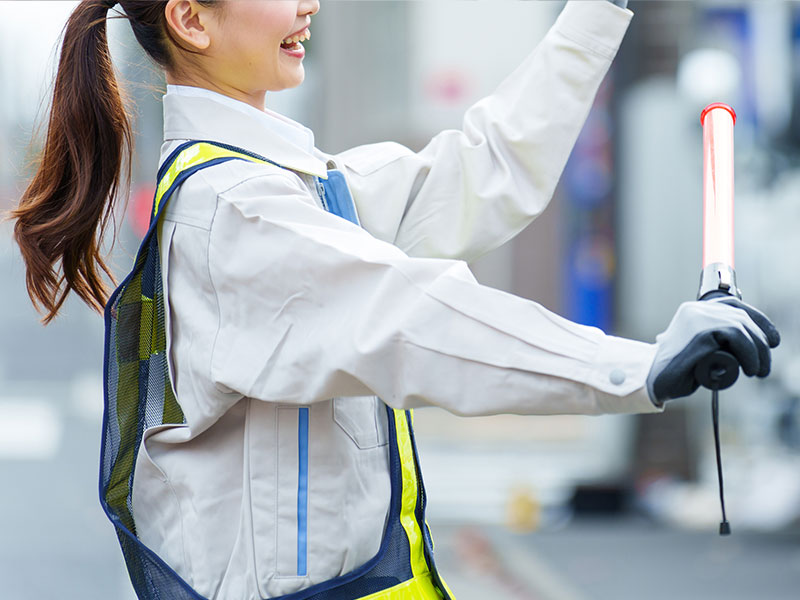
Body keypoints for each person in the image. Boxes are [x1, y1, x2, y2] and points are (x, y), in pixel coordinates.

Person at [12, 1, 780, 599]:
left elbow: (486, 169)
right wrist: (641, 366)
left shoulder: (292, 189)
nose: (308, 5)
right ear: (191, 19)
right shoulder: (240, 216)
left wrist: (597, 11)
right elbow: (419, 320)